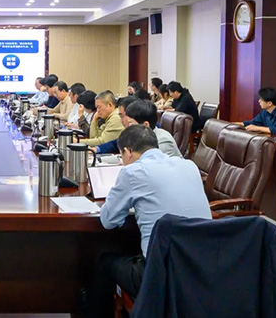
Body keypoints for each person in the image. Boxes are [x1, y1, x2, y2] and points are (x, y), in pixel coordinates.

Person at [86, 125, 211, 317]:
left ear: (127, 152)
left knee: (105, 261)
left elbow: (108, 221)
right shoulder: (189, 165)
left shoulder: (132, 172)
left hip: (158, 274)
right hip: (201, 268)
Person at [93, 100, 182, 158]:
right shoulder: (140, 136)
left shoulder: (163, 141)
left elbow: (150, 168)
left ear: (145, 125)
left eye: (130, 123)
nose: (128, 127)